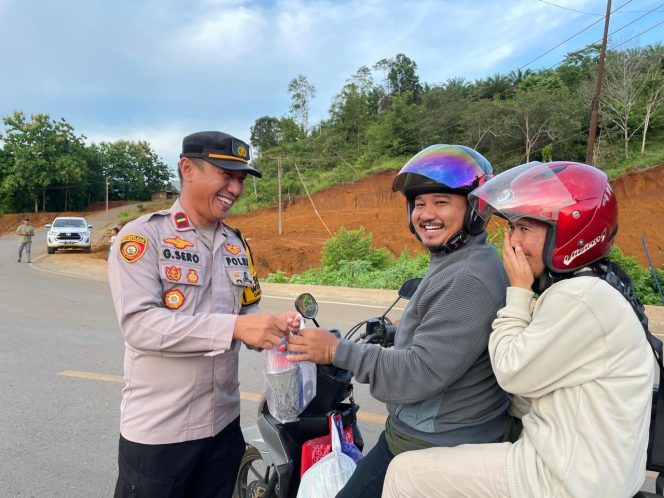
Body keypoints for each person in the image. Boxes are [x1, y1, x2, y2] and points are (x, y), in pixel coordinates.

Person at [382, 161, 654, 498]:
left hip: (564, 479)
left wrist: (520, 290)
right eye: (511, 228)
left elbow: (512, 371)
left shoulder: (580, 298)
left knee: (404, 473)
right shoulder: (590, 287)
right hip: (581, 463)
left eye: (524, 229)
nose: (510, 241)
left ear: (568, 233)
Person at [287, 144, 511, 498]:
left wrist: (336, 351)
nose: (426, 213)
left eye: (441, 201)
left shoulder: (469, 276)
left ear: (473, 208)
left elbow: (419, 372)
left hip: (430, 442)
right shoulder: (461, 260)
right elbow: (445, 342)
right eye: (419, 204)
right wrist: (396, 338)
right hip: (437, 429)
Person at [108, 131, 296, 498]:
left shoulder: (236, 243)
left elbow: (247, 306)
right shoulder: (144, 238)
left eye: (241, 179)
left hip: (223, 427)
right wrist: (237, 327)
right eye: (226, 175)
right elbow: (141, 326)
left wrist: (272, 326)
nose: (236, 189)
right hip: (161, 432)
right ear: (187, 169)